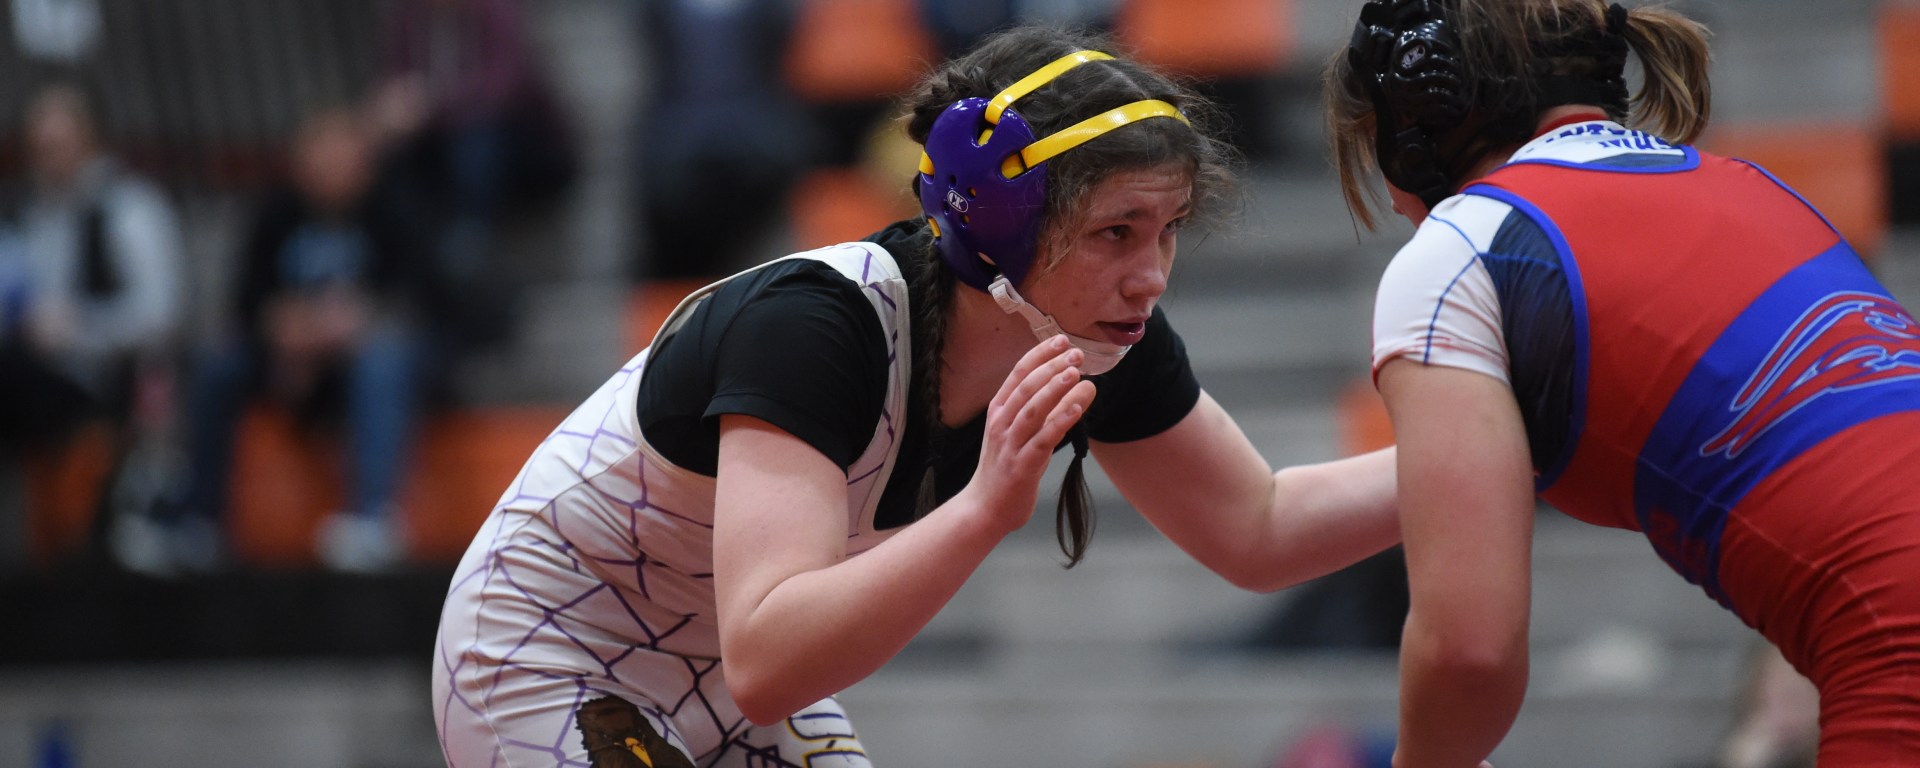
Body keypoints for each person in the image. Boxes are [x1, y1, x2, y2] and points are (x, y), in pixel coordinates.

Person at [433, 25, 1403, 767]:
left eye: (1169, 229)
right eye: (1118, 232)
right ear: (1005, 222)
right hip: (554, 645)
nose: (1151, 276)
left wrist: (1467, 452)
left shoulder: (1101, 334)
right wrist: (982, 511)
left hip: (722, 664)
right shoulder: (815, 325)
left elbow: (1258, 528)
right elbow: (768, 658)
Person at [1326, 1, 1920, 765]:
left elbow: (1469, 651)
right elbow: (1261, 532)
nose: (1389, 198)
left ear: (1423, 120)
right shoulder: (1752, 185)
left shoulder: (1466, 245)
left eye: (1374, 144)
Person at [157, 108, 437, 574]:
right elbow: (247, 299)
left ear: (363, 164)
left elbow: (418, 296)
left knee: (384, 360)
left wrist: (353, 322)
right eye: (317, 160)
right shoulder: (276, 212)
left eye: (339, 160)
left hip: (362, 352)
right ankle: (199, 520)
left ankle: (374, 519)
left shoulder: (395, 208)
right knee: (216, 365)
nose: (328, 171)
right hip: (286, 354)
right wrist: (285, 328)